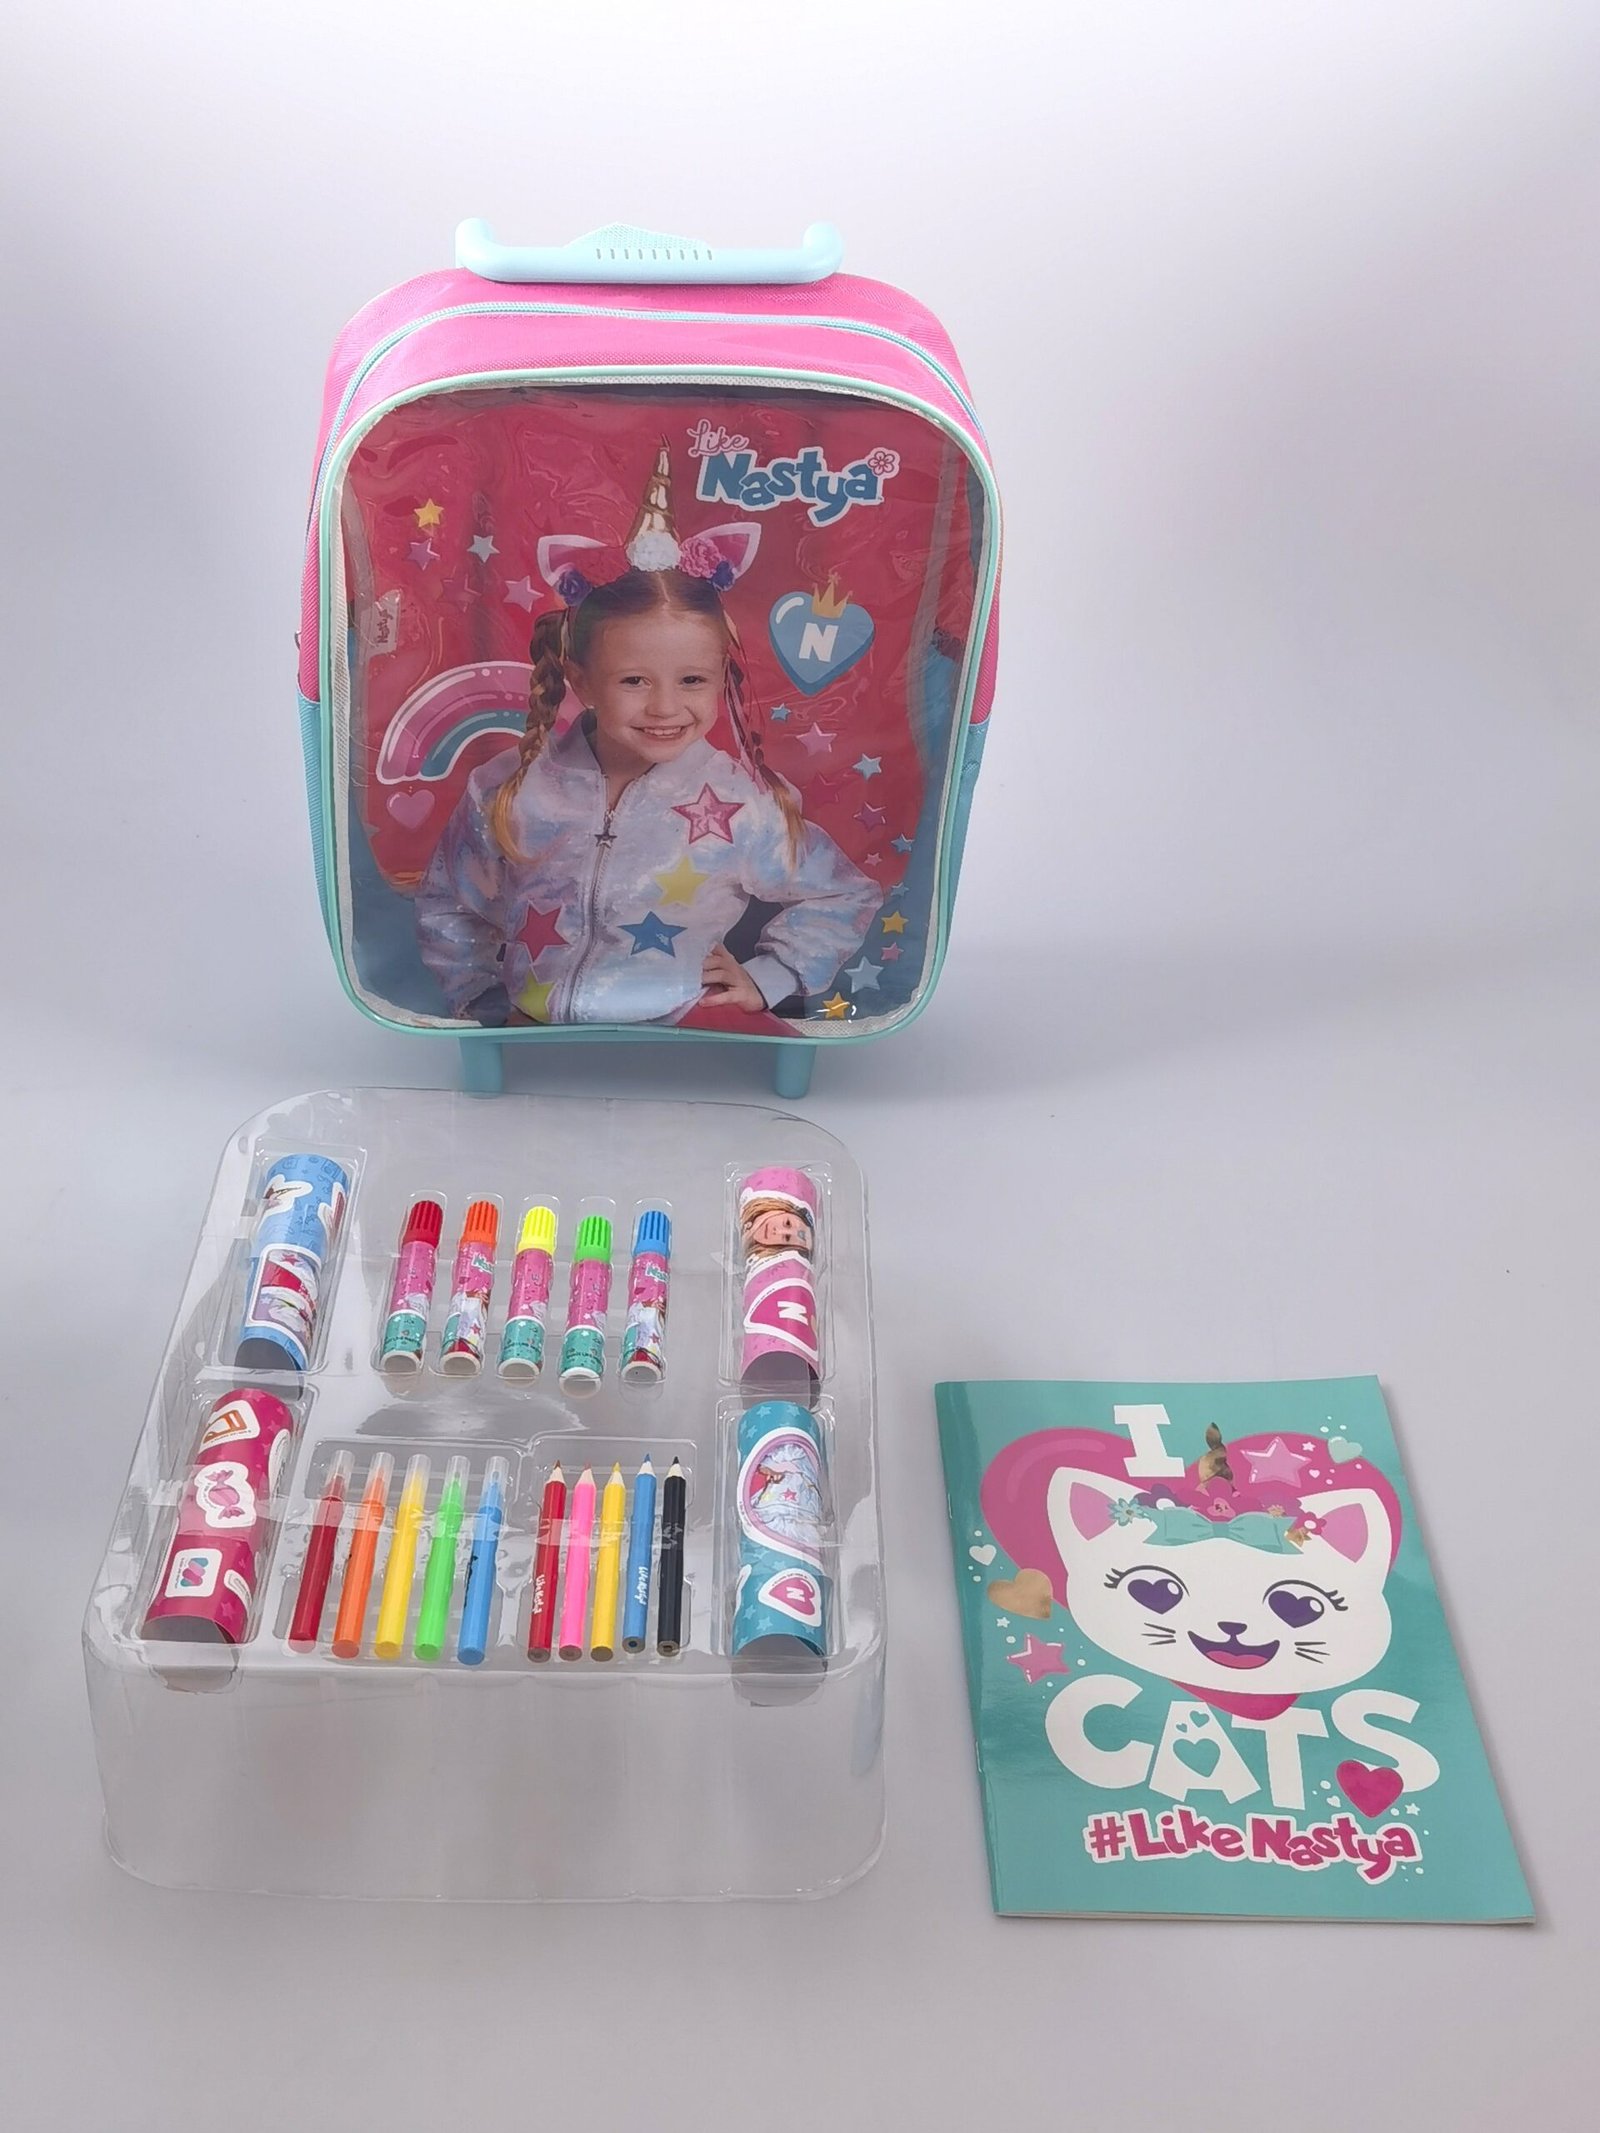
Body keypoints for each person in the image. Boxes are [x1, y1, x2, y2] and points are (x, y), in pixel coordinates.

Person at [415, 447, 881, 1027]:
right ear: (582, 680)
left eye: (692, 680)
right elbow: (448, 903)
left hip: (688, 1036)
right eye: (634, 680)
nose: (665, 707)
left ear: (721, 678)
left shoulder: (741, 800)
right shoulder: (511, 787)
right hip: (532, 1037)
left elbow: (842, 893)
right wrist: (482, 1001)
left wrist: (772, 976)